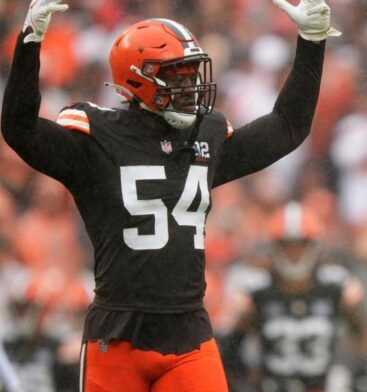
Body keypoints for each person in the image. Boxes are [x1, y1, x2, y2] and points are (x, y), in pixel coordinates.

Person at [1, 0, 339, 390]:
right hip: (117, 333)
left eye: (192, 73)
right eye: (178, 75)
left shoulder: (205, 135)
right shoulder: (97, 138)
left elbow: (287, 126)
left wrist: (312, 42)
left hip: (187, 332)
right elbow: (20, 129)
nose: (191, 85)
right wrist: (30, 42)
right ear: (138, 78)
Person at [226, 202, 367, 392]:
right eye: (287, 246)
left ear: (313, 246)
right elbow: (231, 346)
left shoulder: (335, 286)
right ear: (274, 247)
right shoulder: (257, 291)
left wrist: (354, 371)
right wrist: (246, 380)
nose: (293, 253)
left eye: (300, 245)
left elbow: (365, 338)